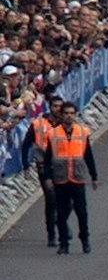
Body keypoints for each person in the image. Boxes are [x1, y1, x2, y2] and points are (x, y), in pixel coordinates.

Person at [44, 100, 98, 254]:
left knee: (82, 212)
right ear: (61, 115)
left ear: (75, 115)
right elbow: (47, 158)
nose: (69, 116)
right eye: (66, 113)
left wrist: (94, 176)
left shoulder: (82, 132)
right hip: (61, 179)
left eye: (71, 113)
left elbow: (88, 156)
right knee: (61, 213)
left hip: (77, 177)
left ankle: (85, 239)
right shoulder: (54, 134)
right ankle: (64, 243)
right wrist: (47, 177)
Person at [26, 102, 58, 247]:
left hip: (63, 167)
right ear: (50, 107)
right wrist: (26, 165)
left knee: (67, 201)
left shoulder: (67, 125)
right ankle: (51, 233)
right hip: (44, 167)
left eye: (60, 106)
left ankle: (60, 220)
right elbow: (26, 144)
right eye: (55, 106)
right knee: (51, 198)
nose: (58, 109)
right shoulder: (38, 124)